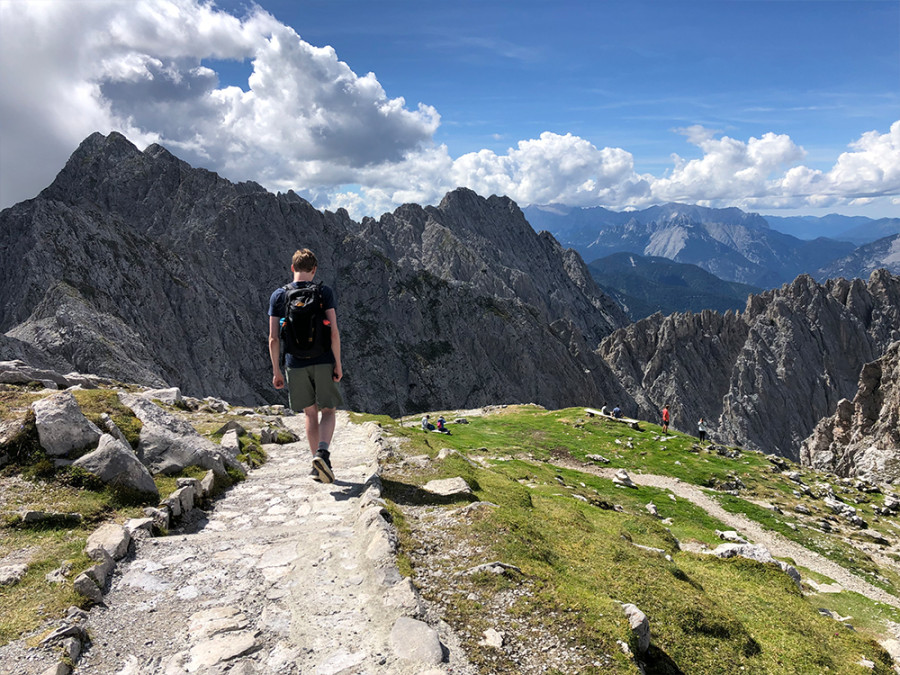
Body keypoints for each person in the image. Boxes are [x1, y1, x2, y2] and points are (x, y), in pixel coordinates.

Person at [269, 248, 343, 483]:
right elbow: (334, 332)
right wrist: (338, 364)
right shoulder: (324, 292)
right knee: (328, 411)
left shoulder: (279, 296)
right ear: (314, 269)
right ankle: (323, 452)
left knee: (310, 413)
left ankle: (316, 463)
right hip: (322, 359)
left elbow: (273, 338)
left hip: (294, 362)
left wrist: (277, 371)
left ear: (292, 268)